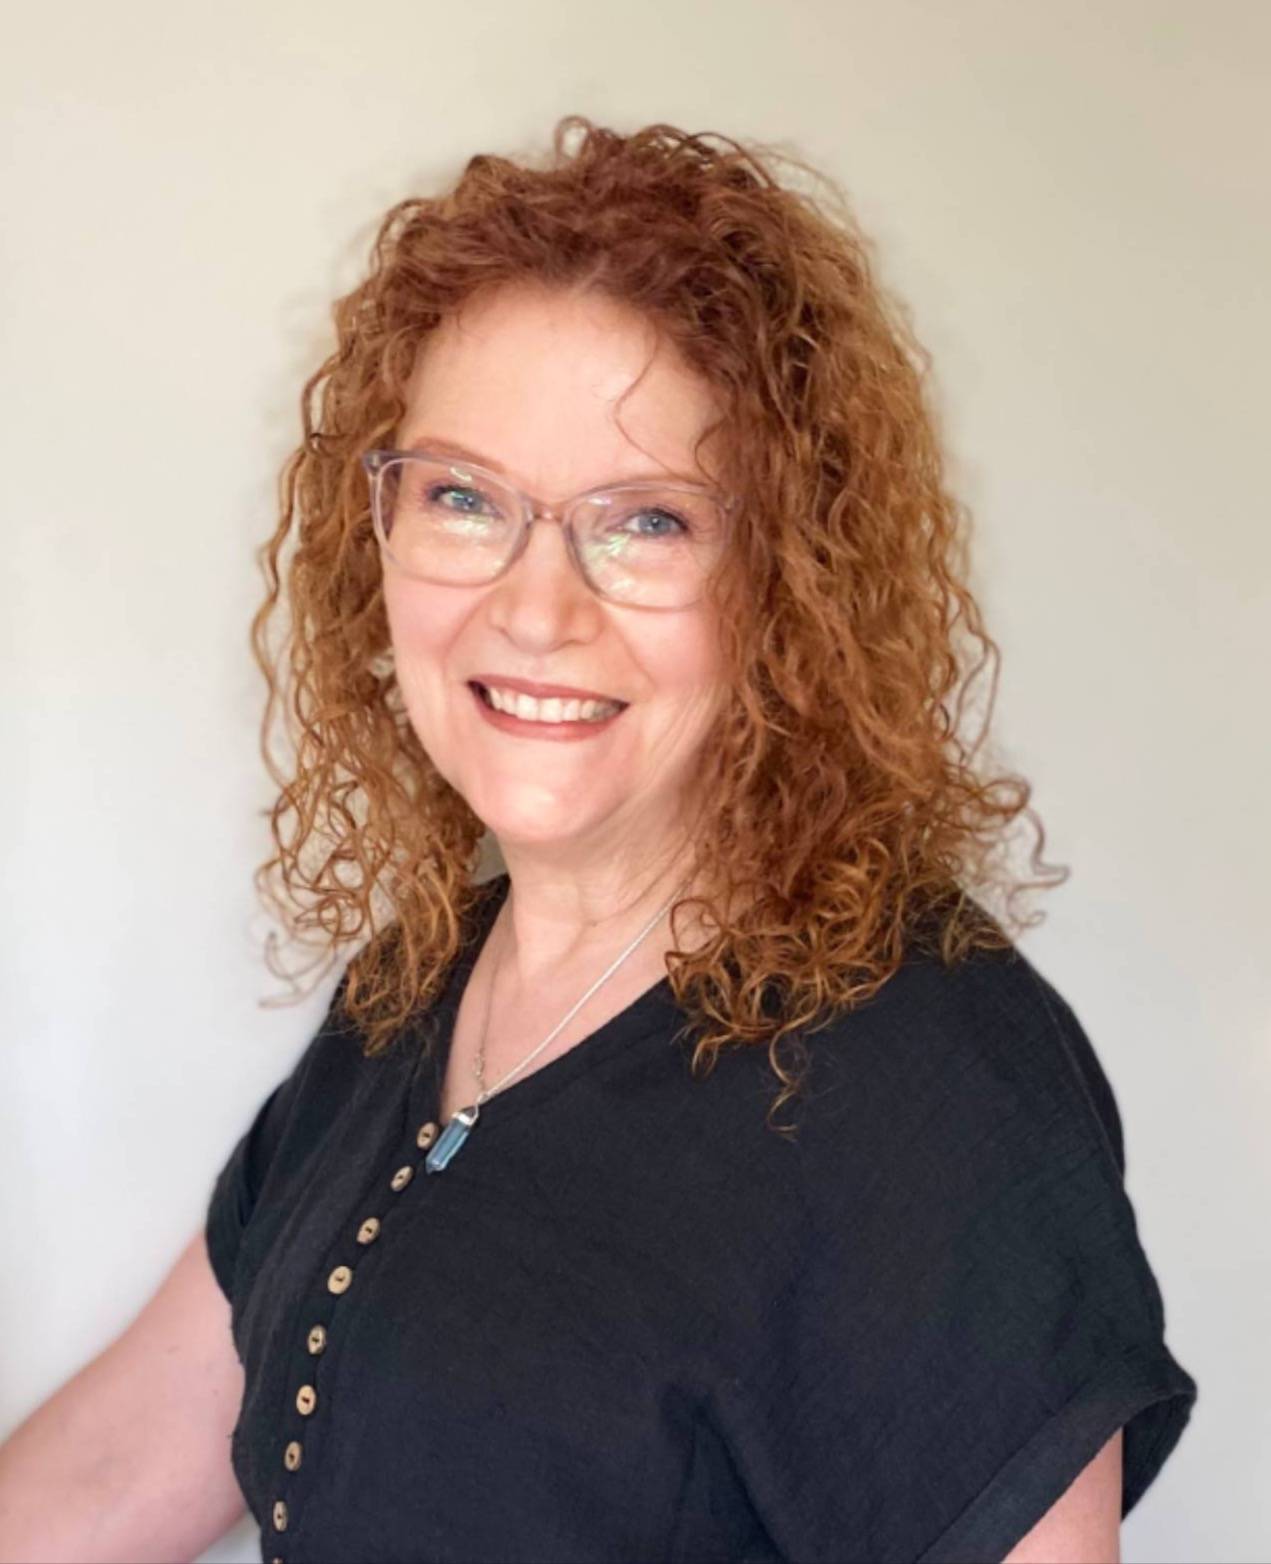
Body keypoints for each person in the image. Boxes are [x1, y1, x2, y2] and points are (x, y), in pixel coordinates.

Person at [0, 116, 1196, 1564]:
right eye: (461, 498)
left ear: (788, 580)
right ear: (372, 531)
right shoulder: (415, 992)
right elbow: (115, 1468)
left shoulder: (930, 1082)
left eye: (644, 522)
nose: (535, 609)